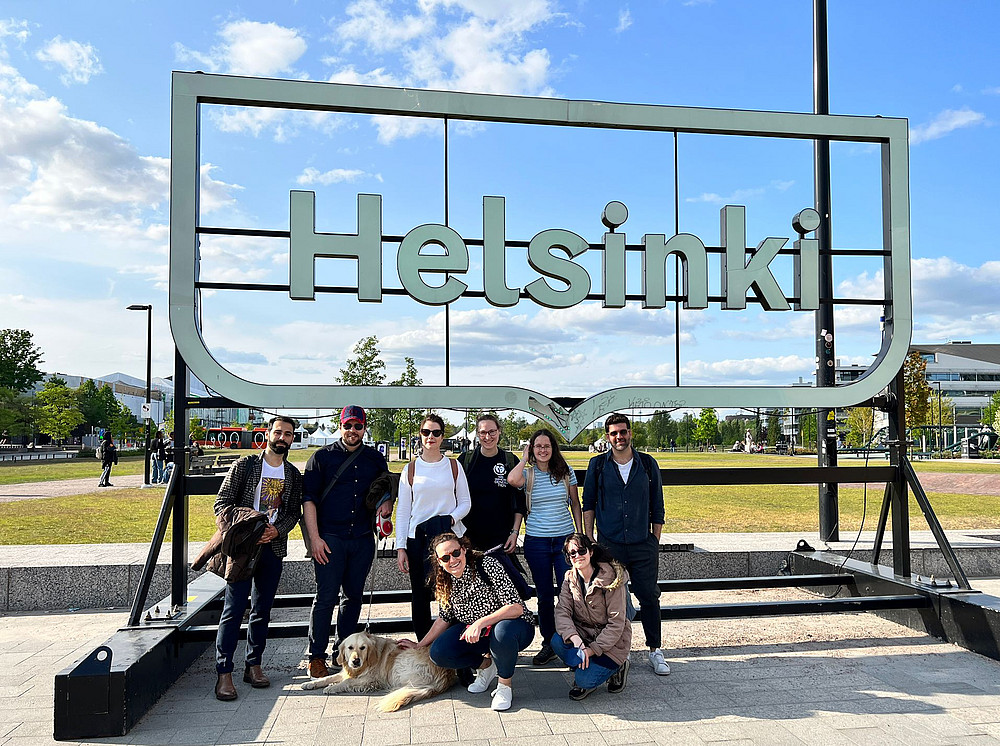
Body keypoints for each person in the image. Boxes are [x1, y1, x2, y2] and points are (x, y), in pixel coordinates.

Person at [213, 416, 303, 701]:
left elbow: (293, 512)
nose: (283, 438)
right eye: (278, 432)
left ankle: (253, 665)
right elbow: (221, 503)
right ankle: (224, 672)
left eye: (288, 434)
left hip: (272, 550)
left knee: (262, 610)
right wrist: (250, 525)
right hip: (242, 549)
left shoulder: (292, 474)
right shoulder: (246, 465)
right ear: (267, 434)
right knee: (233, 608)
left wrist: (277, 530)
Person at [302, 406, 394, 680]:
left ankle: (343, 653)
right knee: (326, 598)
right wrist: (315, 540)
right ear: (340, 426)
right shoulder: (320, 458)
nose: (352, 431)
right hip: (330, 539)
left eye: (358, 426)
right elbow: (309, 501)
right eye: (348, 426)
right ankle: (316, 656)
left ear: (364, 428)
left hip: (363, 538)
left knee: (353, 598)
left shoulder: (375, 459)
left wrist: (386, 504)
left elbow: (386, 488)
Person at [397, 532, 535, 712]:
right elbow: (444, 617)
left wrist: (480, 623)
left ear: (464, 550)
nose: (452, 560)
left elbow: (515, 608)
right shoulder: (444, 579)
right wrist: (419, 645)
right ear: (439, 561)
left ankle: (504, 686)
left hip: (514, 627)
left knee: (501, 632)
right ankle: (486, 666)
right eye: (445, 557)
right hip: (480, 632)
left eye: (455, 553)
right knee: (439, 652)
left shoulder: (487, 565)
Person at [583, 412, 669, 676]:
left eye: (623, 431)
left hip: (643, 544)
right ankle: (616, 651)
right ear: (607, 437)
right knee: (611, 600)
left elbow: (657, 504)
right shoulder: (597, 465)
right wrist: (590, 541)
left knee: (649, 596)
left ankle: (655, 649)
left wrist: (654, 540)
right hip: (610, 545)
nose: (619, 437)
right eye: (613, 433)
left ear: (630, 433)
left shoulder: (646, 463)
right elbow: (589, 505)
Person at [507, 428, 582, 666]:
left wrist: (580, 535)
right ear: (532, 448)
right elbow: (512, 480)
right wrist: (523, 458)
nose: (542, 450)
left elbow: (575, 504)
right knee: (545, 596)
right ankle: (549, 642)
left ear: (553, 448)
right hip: (537, 541)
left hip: (564, 541)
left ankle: (571, 642)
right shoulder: (527, 475)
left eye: (546, 446)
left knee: (569, 593)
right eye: (537, 446)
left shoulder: (565, 472)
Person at [396, 413, 472, 639]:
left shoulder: (453, 466)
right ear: (420, 435)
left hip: (449, 537)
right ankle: (424, 646)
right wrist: (401, 547)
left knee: (453, 592)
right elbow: (403, 511)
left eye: (436, 432)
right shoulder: (410, 469)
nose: (431, 436)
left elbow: (465, 502)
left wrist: (450, 519)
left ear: (442, 436)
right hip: (418, 540)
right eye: (426, 432)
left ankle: (455, 647)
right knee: (420, 596)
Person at [552, 533, 632, 700]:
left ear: (591, 552)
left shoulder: (611, 579)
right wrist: (575, 638)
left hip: (612, 644)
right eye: (572, 553)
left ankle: (618, 667)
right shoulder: (570, 578)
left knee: (584, 681)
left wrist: (591, 650)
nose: (577, 556)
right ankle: (584, 666)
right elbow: (562, 612)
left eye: (581, 551)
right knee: (557, 641)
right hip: (584, 636)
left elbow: (616, 623)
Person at [458, 413, 526, 554]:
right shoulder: (465, 460)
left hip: (501, 538)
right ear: (477, 434)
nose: (487, 437)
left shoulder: (510, 460)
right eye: (483, 432)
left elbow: (520, 502)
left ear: (499, 431)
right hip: (469, 538)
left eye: (492, 432)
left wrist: (514, 533)